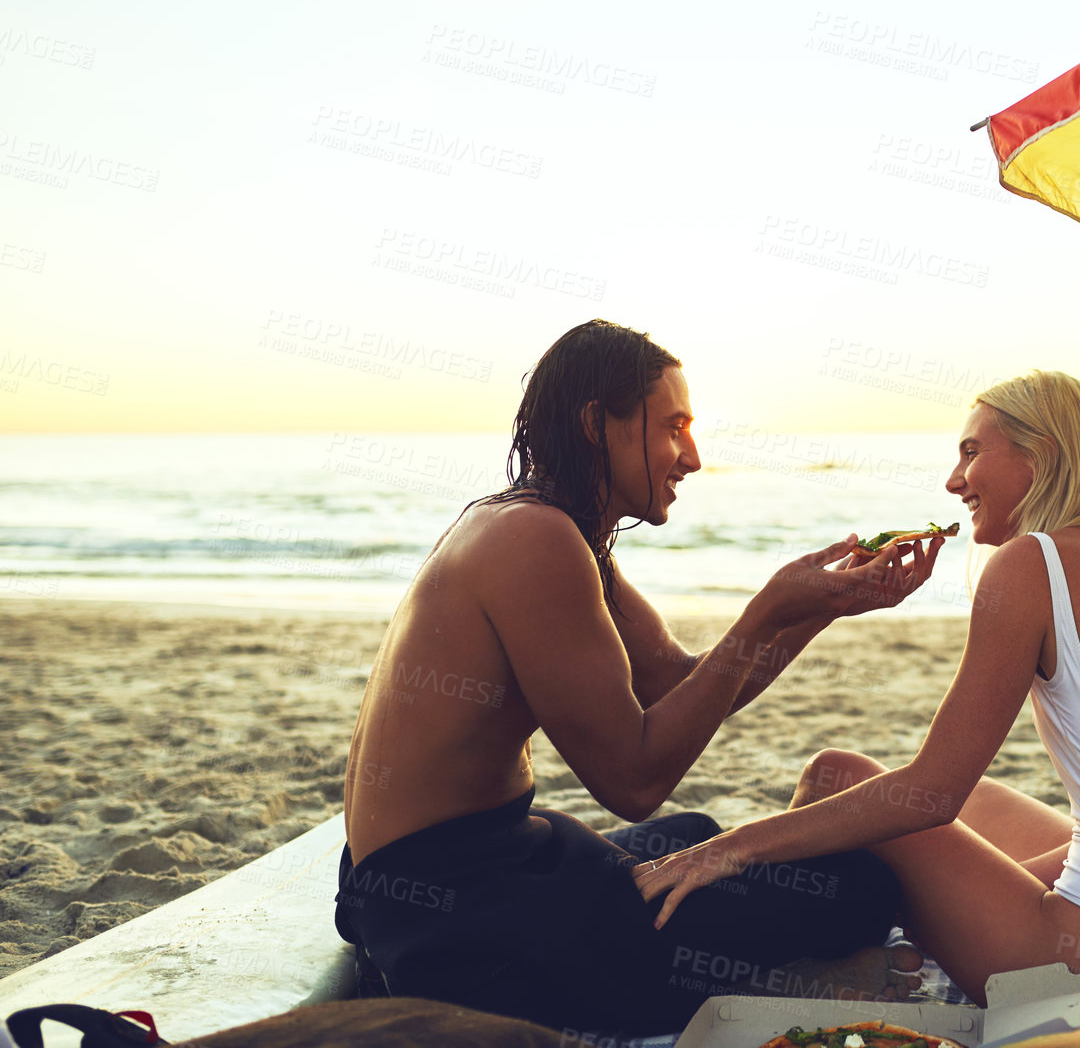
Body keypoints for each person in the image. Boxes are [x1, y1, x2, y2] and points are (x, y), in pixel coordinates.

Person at [336, 320, 945, 1035]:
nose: (692, 456)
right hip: (456, 913)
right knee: (858, 887)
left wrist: (824, 606)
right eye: (674, 428)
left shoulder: (548, 527)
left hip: (460, 871)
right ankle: (793, 983)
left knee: (696, 835)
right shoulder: (535, 541)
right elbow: (632, 783)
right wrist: (762, 614)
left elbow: (684, 684)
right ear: (599, 424)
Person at [634, 371, 1080, 1004]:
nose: (954, 481)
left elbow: (931, 795)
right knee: (980, 804)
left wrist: (728, 848)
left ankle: (821, 964)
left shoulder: (1030, 561)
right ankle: (941, 915)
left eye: (971, 453)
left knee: (836, 777)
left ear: (1040, 455)